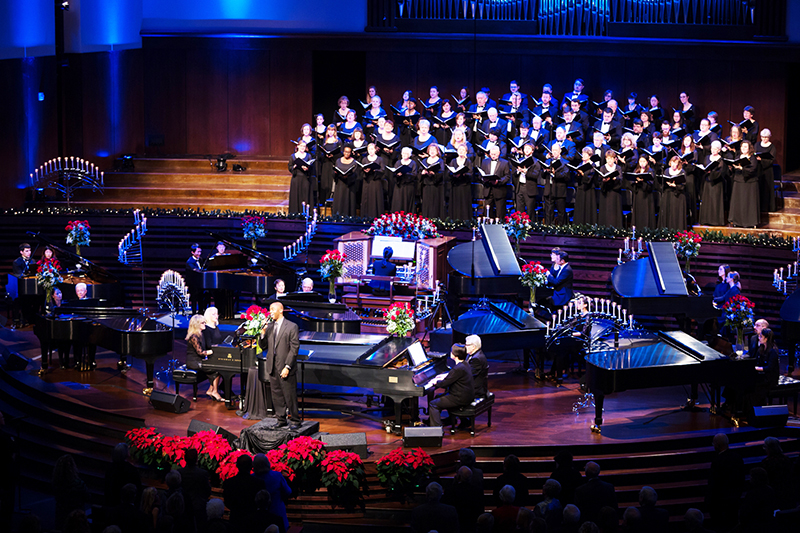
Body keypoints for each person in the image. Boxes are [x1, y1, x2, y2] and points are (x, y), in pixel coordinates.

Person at [258, 302, 301, 429]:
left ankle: (295, 420)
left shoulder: (292, 326)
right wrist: (263, 333)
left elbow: (294, 349)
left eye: (273, 309)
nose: (270, 312)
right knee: (276, 395)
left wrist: (287, 366)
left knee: (289, 394)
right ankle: (281, 419)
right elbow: (263, 346)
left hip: (285, 366)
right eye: (270, 310)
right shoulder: (270, 326)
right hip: (272, 366)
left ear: (281, 310)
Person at [427, 344, 475, 427]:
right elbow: (453, 377)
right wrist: (444, 376)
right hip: (466, 395)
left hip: (460, 398)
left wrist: (435, 382)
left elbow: (444, 383)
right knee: (438, 397)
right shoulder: (464, 364)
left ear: (455, 355)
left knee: (433, 404)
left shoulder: (458, 369)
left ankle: (436, 430)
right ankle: (447, 420)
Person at [185, 314, 223, 401]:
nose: (205, 324)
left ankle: (211, 390)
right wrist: (213, 351)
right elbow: (200, 352)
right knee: (216, 369)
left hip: (199, 360)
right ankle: (214, 391)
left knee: (219, 367)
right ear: (197, 324)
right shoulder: (193, 336)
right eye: (202, 323)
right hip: (193, 362)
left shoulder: (200, 334)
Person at [222, 454, 266, 529]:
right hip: (253, 521)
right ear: (251, 466)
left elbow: (227, 501)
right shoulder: (259, 483)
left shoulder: (229, 483)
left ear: (237, 466)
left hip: (235, 519)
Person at [252, 454, 292, 532]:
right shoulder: (277, 476)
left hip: (256, 517)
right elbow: (288, 492)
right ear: (268, 463)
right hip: (277, 512)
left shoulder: (251, 478)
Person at [53, 454, 92, 530]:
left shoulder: (56, 483)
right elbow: (88, 497)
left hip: (62, 517)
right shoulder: (79, 484)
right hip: (77, 518)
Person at [442, 466, 484, 533]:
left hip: (456, 524)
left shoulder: (450, 491)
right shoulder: (477, 491)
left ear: (458, 476)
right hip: (472, 524)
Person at [177, 448, 212, 529]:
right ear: (196, 459)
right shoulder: (202, 473)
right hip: (199, 508)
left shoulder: (180, 472)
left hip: (183, 507)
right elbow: (208, 491)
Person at [728, 139, 760, 227]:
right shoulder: (738, 156)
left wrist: (742, 168)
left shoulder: (752, 158)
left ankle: (750, 222)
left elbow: (753, 169)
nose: (743, 148)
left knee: (749, 203)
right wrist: (732, 168)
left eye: (746, 147)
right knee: (738, 202)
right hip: (738, 182)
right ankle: (737, 221)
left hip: (750, 183)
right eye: (742, 146)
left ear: (749, 148)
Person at [698, 140, 728, 226]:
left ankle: (716, 221)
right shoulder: (707, 157)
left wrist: (712, 173)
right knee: (707, 201)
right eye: (712, 149)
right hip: (707, 182)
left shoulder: (721, 160)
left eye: (715, 149)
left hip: (717, 183)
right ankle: (706, 219)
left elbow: (721, 172)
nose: (713, 150)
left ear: (719, 150)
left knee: (715, 201)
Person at [103, 443, 142, 507]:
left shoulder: (110, 468)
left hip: (112, 502)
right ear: (126, 454)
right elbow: (138, 487)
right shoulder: (131, 470)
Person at [480, 145, 511, 220]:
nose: (493, 156)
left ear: (499, 153)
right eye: (491, 154)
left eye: (495, 154)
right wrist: (484, 179)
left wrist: (498, 182)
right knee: (487, 212)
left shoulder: (505, 162)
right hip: (488, 189)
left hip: (499, 190)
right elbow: (480, 175)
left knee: (500, 212)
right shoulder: (484, 162)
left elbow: (507, 176)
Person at [543, 143, 569, 225]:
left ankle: (561, 230)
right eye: (553, 150)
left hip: (559, 191)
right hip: (549, 190)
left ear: (560, 151)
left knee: (561, 213)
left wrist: (555, 174)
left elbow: (566, 177)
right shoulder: (547, 161)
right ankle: (548, 229)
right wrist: (544, 171)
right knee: (548, 212)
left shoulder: (565, 162)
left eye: (556, 150)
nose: (554, 152)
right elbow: (542, 176)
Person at [447, 143, 474, 221]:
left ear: (466, 151)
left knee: (464, 204)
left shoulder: (468, 161)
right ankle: (454, 220)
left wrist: (463, 174)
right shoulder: (453, 161)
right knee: (455, 204)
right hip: (455, 186)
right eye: (459, 150)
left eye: (463, 150)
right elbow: (449, 172)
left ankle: (465, 221)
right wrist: (454, 174)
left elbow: (471, 174)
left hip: (464, 186)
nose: (461, 151)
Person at [659, 155, 687, 230]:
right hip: (668, 195)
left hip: (678, 196)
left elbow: (683, 185)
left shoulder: (682, 172)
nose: (673, 165)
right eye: (672, 163)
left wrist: (675, 186)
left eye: (675, 163)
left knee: (676, 214)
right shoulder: (667, 171)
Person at [359, 142, 386, 219]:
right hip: (367, 182)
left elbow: (382, 171)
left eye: (372, 149)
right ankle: (366, 217)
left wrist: (374, 171)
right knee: (366, 199)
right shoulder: (364, 159)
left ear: (375, 150)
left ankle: (377, 217)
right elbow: (361, 170)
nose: (370, 151)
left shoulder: (380, 159)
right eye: (369, 149)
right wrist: (365, 171)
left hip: (376, 182)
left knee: (376, 199)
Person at [628, 155, 655, 228]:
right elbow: (632, 182)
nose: (642, 163)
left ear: (647, 162)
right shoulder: (636, 170)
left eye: (643, 161)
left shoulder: (650, 171)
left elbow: (651, 184)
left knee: (646, 213)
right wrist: (636, 182)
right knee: (638, 212)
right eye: (640, 161)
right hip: (638, 194)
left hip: (646, 195)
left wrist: (643, 181)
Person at [597, 149, 622, 227]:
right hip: (606, 193)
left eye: (611, 158)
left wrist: (615, 179)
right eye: (608, 159)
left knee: (614, 212)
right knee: (605, 212)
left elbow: (621, 181)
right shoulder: (602, 168)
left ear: (614, 159)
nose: (609, 160)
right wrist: (604, 181)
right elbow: (599, 182)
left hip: (615, 194)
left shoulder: (618, 168)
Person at [572, 147, 597, 225]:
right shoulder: (580, 164)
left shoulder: (592, 165)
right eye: (583, 154)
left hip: (589, 189)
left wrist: (583, 174)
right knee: (580, 208)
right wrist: (578, 175)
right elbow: (576, 178)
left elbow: (590, 179)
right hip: (580, 189)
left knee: (588, 208)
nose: (583, 155)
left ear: (589, 155)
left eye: (585, 154)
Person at [420, 143, 445, 219]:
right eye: (431, 149)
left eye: (434, 150)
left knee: (435, 203)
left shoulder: (440, 161)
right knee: (427, 203)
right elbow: (419, 172)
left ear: (437, 151)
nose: (432, 151)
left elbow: (442, 172)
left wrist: (434, 174)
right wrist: (422, 173)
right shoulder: (424, 161)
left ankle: (435, 220)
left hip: (436, 186)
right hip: (427, 185)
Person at [288, 140, 313, 214]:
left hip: (305, 178)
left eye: (304, 146)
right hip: (296, 178)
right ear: (298, 146)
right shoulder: (293, 156)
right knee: (296, 196)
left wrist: (307, 168)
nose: (302, 148)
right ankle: (295, 213)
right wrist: (294, 167)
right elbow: (290, 167)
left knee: (304, 195)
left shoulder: (308, 156)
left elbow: (311, 167)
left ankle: (305, 213)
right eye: (301, 146)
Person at [332, 145, 358, 216]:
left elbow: (355, 175)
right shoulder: (338, 160)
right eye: (345, 152)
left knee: (348, 201)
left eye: (348, 152)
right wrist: (336, 173)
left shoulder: (354, 162)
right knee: (339, 201)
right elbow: (334, 173)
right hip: (340, 184)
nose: (346, 153)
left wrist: (348, 176)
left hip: (349, 186)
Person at [755, 128, 776, 213]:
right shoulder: (757, 145)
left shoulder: (772, 147)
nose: (764, 139)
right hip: (758, 169)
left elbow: (772, 160)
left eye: (766, 137)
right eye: (763, 137)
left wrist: (762, 160)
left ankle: (767, 207)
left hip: (767, 170)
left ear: (769, 137)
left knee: (766, 188)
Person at [465, 334, 489, 399]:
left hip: (476, 390)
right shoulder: (473, 354)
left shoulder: (476, 359)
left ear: (473, 346)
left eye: (467, 345)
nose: (465, 347)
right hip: (473, 385)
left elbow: (467, 375)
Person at [186, 243, 205, 314]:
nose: (199, 253)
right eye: (198, 252)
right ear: (192, 252)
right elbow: (197, 270)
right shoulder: (190, 261)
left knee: (202, 297)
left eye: (200, 251)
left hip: (200, 282)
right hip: (193, 284)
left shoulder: (200, 259)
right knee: (194, 297)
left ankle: (201, 311)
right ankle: (194, 313)